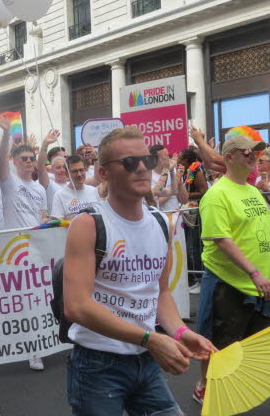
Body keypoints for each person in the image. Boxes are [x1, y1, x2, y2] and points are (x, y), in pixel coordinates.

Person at [63, 126, 215, 415]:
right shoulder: (88, 224)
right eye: (130, 162)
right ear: (105, 172)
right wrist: (150, 338)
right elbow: (77, 306)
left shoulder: (161, 222)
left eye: (146, 159)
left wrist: (181, 332)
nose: (143, 167)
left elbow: (160, 293)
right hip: (98, 363)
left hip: (146, 359)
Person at [192, 135, 270, 404]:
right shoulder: (217, 194)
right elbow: (222, 239)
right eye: (247, 152)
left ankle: (239, 388)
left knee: (252, 342)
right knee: (218, 343)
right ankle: (205, 387)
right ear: (229, 157)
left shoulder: (253, 191)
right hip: (229, 282)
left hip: (258, 283)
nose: (254, 157)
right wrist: (254, 272)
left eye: (257, 153)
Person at [0, 113, 47, 371]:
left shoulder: (40, 188)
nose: (28, 162)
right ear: (15, 162)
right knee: (15, 301)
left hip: (36, 249)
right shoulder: (9, 182)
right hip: (12, 250)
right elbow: (0, 160)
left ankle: (35, 348)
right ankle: (14, 341)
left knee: (34, 299)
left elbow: (42, 217)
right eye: (23, 159)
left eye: (31, 159)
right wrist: (6, 133)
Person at [178, 148, 208, 288]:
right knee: (189, 245)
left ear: (186, 160)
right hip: (187, 212)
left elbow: (204, 192)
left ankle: (200, 280)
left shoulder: (196, 172)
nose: (178, 159)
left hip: (196, 213)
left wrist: (186, 195)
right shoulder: (185, 172)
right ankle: (195, 279)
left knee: (195, 246)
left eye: (180, 157)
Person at [149, 145, 188, 211]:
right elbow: (155, 203)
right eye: (166, 156)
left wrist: (179, 180)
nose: (169, 158)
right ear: (157, 159)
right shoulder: (149, 176)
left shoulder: (174, 171)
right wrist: (177, 178)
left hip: (177, 218)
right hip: (161, 219)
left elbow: (184, 200)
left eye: (168, 155)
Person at [38, 130, 69, 213]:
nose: (62, 170)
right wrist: (45, 144)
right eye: (58, 168)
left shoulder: (72, 183)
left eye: (64, 167)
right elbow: (40, 166)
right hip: (56, 224)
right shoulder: (49, 184)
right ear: (51, 169)